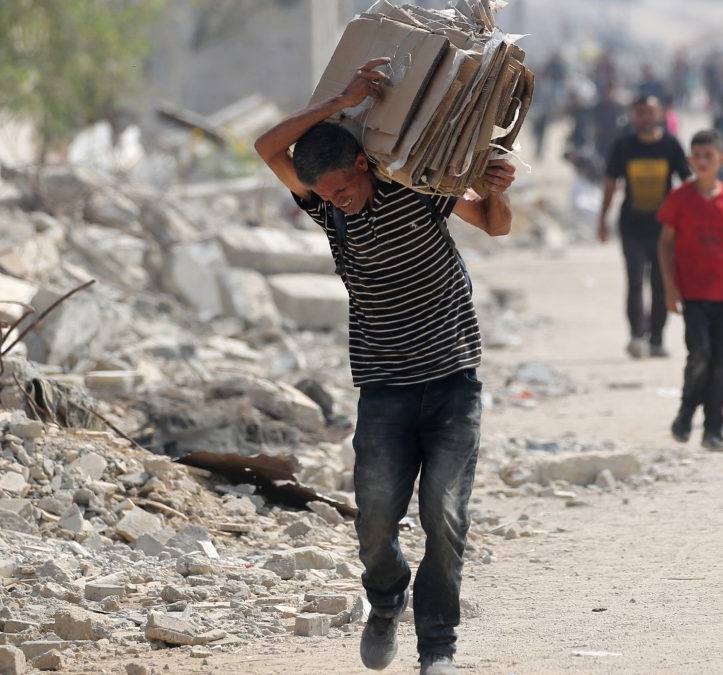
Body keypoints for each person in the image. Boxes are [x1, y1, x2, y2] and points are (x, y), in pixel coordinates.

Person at [253, 57, 515, 675]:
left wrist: (499, 190)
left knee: (444, 517)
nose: (336, 202)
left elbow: (495, 225)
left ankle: (438, 647)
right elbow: (267, 147)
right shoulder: (328, 210)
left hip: (452, 379)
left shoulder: (419, 188)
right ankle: (387, 597)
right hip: (384, 389)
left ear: (363, 165)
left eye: (341, 188)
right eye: (325, 196)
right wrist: (337, 103)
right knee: (374, 522)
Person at [657, 130, 723, 451]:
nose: (702, 162)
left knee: (722, 366)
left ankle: (714, 428)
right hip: (693, 294)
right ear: (690, 160)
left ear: (721, 159)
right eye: (697, 156)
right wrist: (670, 289)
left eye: (708, 156)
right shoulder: (679, 198)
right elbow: (664, 244)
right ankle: (687, 410)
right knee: (699, 356)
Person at [599, 95, 692, 358]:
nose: (645, 118)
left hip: (664, 229)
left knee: (661, 284)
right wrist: (602, 219)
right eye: (640, 113)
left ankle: (657, 339)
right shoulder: (623, 146)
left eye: (650, 112)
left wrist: (690, 219)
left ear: (660, 114)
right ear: (633, 116)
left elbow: (687, 183)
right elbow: (610, 184)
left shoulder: (671, 145)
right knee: (635, 282)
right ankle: (636, 336)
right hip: (632, 226)